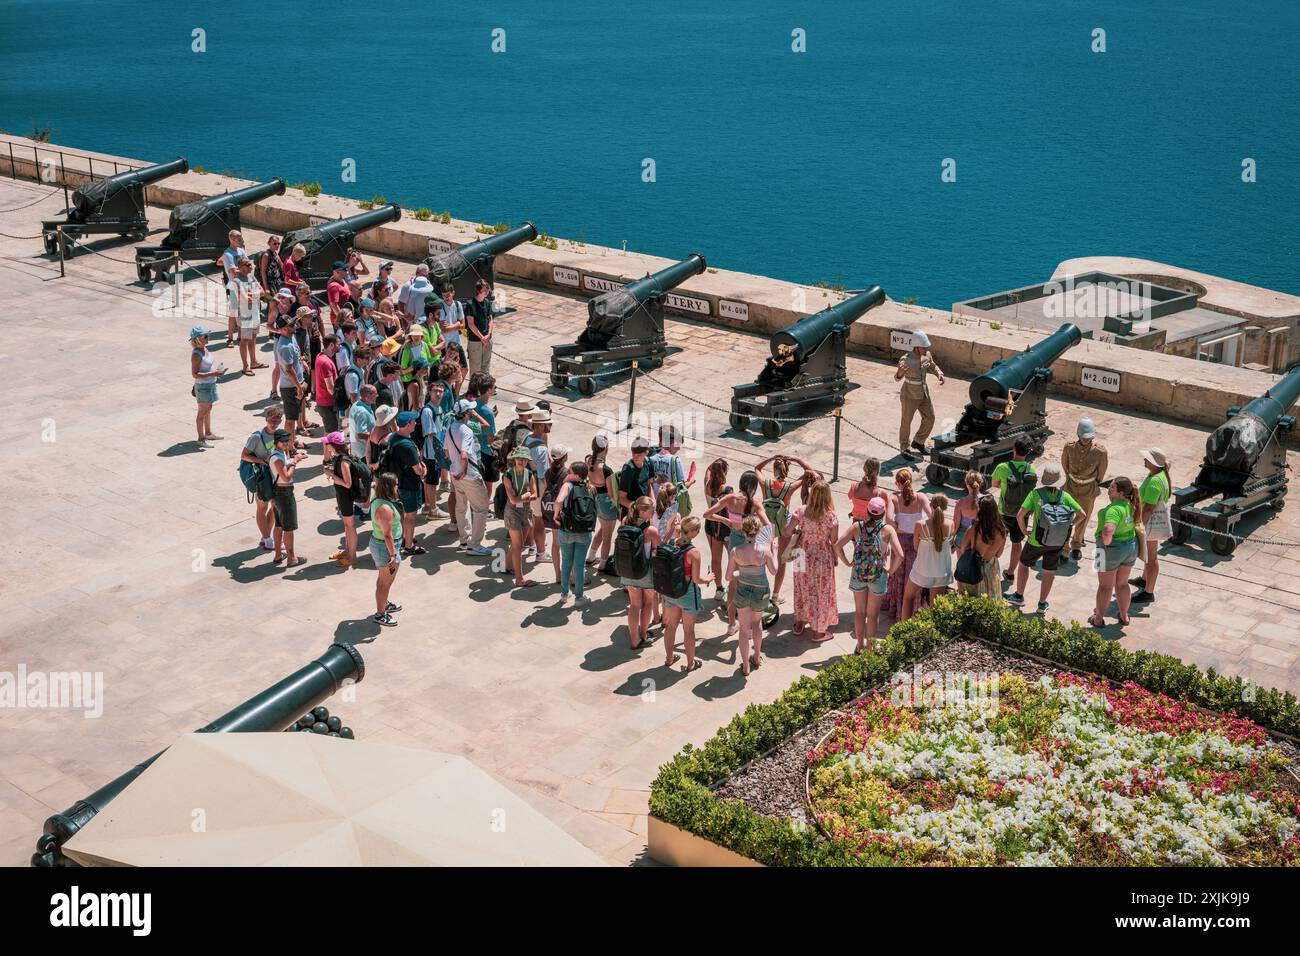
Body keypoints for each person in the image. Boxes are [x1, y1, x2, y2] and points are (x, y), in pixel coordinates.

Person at [1009, 463, 1080, 613]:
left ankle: (1019, 596)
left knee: (1023, 564)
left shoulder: (1035, 494)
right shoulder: (1065, 496)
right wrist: (1069, 526)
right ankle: (1042, 604)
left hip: (1036, 540)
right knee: (1049, 571)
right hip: (1057, 542)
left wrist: (1024, 531)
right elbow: (1083, 514)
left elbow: (1020, 515)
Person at [702, 470, 767, 636]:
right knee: (752, 582)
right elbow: (768, 525)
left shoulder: (730, 498)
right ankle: (752, 625)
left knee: (733, 585)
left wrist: (726, 520)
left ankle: (732, 623)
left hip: (735, 542)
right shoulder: (754, 503)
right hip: (750, 542)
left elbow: (707, 514)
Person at [837, 496, 902, 653]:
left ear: (867, 511)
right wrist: (890, 570)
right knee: (872, 615)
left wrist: (847, 562)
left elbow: (837, 545)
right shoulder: (887, 530)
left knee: (860, 612)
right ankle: (870, 648)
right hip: (878, 575)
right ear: (883, 513)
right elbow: (900, 555)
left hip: (858, 573)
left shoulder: (857, 527)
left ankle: (859, 646)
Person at [788, 479, 840, 641]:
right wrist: (836, 558)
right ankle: (818, 631)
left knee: (801, 588)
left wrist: (800, 531)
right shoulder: (831, 517)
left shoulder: (801, 511)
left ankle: (799, 623)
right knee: (821, 592)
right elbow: (834, 541)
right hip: (822, 556)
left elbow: (787, 531)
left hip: (801, 554)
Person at [661, 516, 712, 672]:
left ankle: (669, 658)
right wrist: (708, 578)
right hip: (688, 593)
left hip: (671, 592)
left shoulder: (671, 544)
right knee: (689, 630)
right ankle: (690, 664)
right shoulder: (693, 552)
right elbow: (696, 579)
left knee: (670, 626)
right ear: (694, 532)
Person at [730, 515, 777, 676]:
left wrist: (739, 573)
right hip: (761, 591)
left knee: (743, 630)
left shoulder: (736, 551)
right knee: (757, 624)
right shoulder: (764, 550)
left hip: (743, 589)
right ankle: (756, 656)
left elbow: (728, 577)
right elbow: (774, 571)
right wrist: (774, 551)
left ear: (743, 531)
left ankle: (745, 666)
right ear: (758, 532)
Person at [1091, 477, 1141, 628]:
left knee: (1105, 587)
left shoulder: (1114, 509)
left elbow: (1108, 529)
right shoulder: (1131, 505)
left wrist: (1106, 542)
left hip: (1108, 549)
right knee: (1122, 584)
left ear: (1121, 493)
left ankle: (1098, 619)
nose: (1108, 490)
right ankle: (1124, 616)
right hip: (1130, 547)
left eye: (1112, 488)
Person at [444, 398, 492, 556]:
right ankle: (475, 545)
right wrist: (463, 470)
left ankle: (464, 541)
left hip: (455, 474)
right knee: (481, 508)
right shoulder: (467, 431)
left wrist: (457, 468)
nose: (471, 412)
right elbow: (464, 454)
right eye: (470, 411)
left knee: (461, 506)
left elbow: (446, 451)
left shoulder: (451, 428)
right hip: (469, 475)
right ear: (465, 413)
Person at [882, 468, 930, 619]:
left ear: (897, 484)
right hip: (917, 542)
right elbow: (932, 516)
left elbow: (888, 520)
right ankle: (913, 609)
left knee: (898, 575)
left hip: (900, 541)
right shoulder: (921, 497)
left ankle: (897, 609)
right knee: (913, 575)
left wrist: (899, 527)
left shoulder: (894, 499)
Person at [1061, 417, 1109, 561]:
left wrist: (1092, 483)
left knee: (1084, 517)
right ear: (1078, 435)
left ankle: (1076, 544)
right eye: (1083, 437)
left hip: (1088, 488)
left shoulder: (1100, 452)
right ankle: (1064, 547)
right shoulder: (1069, 447)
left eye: (1088, 437)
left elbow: (1101, 472)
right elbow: (1065, 465)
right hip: (1071, 486)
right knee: (1066, 517)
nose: (1085, 440)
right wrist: (1072, 479)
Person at [895, 329, 944, 458]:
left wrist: (939, 374)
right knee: (906, 422)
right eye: (923, 346)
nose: (926, 348)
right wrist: (900, 372)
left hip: (923, 393)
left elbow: (932, 366)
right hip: (909, 394)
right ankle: (904, 448)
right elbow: (897, 377)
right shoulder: (906, 359)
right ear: (916, 347)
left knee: (930, 417)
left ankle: (918, 441)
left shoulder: (927, 355)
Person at [553, 460, 596, 606]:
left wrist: (556, 516)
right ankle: (579, 597)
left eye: (570, 472)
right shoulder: (591, 488)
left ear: (577, 476)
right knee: (579, 565)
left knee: (566, 563)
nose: (567, 473)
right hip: (585, 532)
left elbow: (558, 501)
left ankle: (564, 594)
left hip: (567, 530)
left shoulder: (568, 486)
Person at [621, 496, 662, 650]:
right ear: (643, 511)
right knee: (648, 603)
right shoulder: (650, 530)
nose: (654, 512)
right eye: (652, 509)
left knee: (634, 605)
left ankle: (634, 640)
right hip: (645, 571)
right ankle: (643, 634)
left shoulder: (626, 521)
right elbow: (658, 549)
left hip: (628, 570)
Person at [241, 406, 284, 552]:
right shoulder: (256, 436)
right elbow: (244, 455)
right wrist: (263, 461)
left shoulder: (279, 435)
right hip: (261, 477)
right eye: (272, 420)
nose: (274, 423)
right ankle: (267, 538)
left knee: (275, 506)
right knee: (262, 507)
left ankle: (265, 537)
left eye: (277, 421)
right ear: (266, 419)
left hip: (275, 476)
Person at [383, 411, 427, 555]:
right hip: (408, 484)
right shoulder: (407, 446)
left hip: (397, 482)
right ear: (408, 425)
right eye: (413, 421)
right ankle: (409, 545)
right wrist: (423, 469)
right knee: (411, 514)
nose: (415, 423)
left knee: (402, 512)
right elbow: (418, 470)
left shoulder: (394, 437)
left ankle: (404, 538)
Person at [903, 493, 953, 620]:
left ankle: (902, 629)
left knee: (908, 597)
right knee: (935, 607)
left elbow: (916, 547)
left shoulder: (920, 525)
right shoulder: (950, 524)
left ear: (931, 505)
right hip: (941, 572)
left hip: (922, 570)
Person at [1132, 448, 1172, 604]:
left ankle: (1149, 592)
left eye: (1147, 459)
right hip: (1153, 522)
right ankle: (1143, 580)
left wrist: (1139, 523)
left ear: (1154, 463)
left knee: (1152, 557)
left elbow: (1148, 507)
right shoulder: (1158, 476)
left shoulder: (1155, 481)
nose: (1144, 460)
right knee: (1149, 555)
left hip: (1150, 523)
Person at [991, 438, 1035, 578]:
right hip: (1022, 513)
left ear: (1014, 449)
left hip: (1004, 511)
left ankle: (992, 569)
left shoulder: (1002, 467)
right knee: (1017, 543)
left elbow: (994, 484)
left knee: (999, 539)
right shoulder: (1031, 469)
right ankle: (1010, 572)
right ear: (1028, 452)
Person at [369, 472, 404, 627]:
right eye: (396, 484)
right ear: (390, 487)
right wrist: (393, 554)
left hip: (385, 546)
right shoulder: (384, 508)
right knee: (385, 582)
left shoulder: (378, 500)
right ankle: (380, 614)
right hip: (386, 548)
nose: (398, 487)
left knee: (384, 580)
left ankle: (384, 603)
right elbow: (387, 535)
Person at [957, 496, 1008, 602]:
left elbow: (962, 548)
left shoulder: (974, 529)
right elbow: (998, 554)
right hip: (991, 566)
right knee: (991, 598)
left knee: (972, 599)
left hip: (974, 567)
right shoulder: (1002, 531)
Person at [502, 448, 540, 588]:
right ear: (514, 459)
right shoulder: (507, 475)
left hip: (525, 510)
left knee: (519, 544)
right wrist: (525, 496)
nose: (521, 461)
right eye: (519, 458)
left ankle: (507, 565)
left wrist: (523, 498)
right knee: (518, 545)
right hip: (512, 511)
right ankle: (520, 579)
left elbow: (535, 494)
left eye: (524, 459)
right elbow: (512, 500)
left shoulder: (529, 473)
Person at [323, 432, 362, 568]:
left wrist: (332, 474)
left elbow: (347, 483)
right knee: (347, 525)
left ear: (333, 445)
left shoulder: (344, 461)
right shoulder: (339, 457)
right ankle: (347, 551)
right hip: (343, 496)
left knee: (350, 526)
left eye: (327, 443)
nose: (325, 445)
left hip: (346, 496)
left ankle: (352, 557)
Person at [269, 429, 307, 566]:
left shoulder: (278, 453)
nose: (286, 443)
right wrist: (295, 462)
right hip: (284, 493)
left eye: (287, 440)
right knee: (288, 528)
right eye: (283, 441)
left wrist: (290, 460)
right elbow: (286, 477)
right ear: (276, 442)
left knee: (279, 525)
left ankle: (278, 555)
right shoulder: (278, 458)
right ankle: (292, 558)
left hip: (277, 493)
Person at [585, 435, 619, 568]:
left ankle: (591, 556)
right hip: (607, 503)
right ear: (606, 449)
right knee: (608, 536)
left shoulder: (588, 461)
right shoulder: (606, 469)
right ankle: (603, 565)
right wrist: (619, 508)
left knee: (602, 529)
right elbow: (611, 493)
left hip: (596, 500)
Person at [524, 410, 554, 560]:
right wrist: (550, 491)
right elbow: (543, 476)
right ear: (541, 425)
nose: (550, 426)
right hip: (537, 487)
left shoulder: (527, 439)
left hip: (526, 484)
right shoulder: (541, 449)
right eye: (548, 423)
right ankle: (540, 553)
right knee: (539, 521)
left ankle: (531, 546)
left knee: (532, 517)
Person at [702, 459, 733, 603]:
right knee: (734, 557)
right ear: (725, 472)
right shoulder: (727, 490)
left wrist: (712, 465)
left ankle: (719, 588)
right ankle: (733, 585)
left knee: (716, 559)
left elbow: (706, 473)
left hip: (711, 524)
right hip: (725, 526)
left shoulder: (707, 484)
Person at [273, 317, 307, 447]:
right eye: (292, 324)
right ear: (284, 329)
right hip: (290, 387)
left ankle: (293, 441)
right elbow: (289, 370)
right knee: (290, 420)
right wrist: (299, 387)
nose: (295, 325)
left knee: (295, 416)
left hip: (296, 384)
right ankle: (289, 447)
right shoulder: (284, 346)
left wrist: (302, 361)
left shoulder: (291, 337)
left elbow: (296, 355)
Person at [419, 379, 450, 520]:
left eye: (440, 391)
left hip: (435, 451)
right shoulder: (427, 411)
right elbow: (431, 434)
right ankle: (433, 509)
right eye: (435, 391)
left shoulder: (439, 408)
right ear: (430, 392)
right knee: (431, 482)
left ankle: (427, 504)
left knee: (429, 480)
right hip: (432, 452)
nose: (438, 393)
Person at [540, 446, 571, 583]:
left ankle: (558, 576)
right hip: (563, 511)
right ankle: (568, 575)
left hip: (551, 511)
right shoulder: (567, 473)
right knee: (567, 546)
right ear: (564, 458)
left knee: (555, 544)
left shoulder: (547, 472)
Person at [189, 327, 224, 448]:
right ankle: (201, 438)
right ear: (198, 339)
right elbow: (195, 374)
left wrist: (216, 372)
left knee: (208, 408)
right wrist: (213, 374)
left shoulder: (204, 349)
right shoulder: (196, 355)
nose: (208, 338)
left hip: (210, 384)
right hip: (203, 386)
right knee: (202, 413)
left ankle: (208, 433)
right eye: (205, 336)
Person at [229, 257, 263, 375]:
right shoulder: (236, 281)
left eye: (251, 264)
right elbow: (245, 299)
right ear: (241, 267)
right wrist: (256, 295)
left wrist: (253, 294)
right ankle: (245, 366)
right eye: (248, 265)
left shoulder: (251, 277)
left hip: (254, 312)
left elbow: (263, 292)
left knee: (253, 338)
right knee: (244, 340)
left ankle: (254, 361)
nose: (251, 267)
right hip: (245, 315)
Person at [313, 335, 341, 454]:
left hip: (323, 402)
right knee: (332, 433)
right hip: (328, 403)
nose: (340, 346)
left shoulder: (320, 357)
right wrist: (341, 398)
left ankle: (327, 458)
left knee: (328, 431)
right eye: (338, 344)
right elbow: (330, 388)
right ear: (331, 345)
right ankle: (331, 458)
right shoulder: (326, 362)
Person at [848, 457, 894, 525]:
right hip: (873, 527)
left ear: (864, 468)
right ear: (878, 472)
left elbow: (850, 497)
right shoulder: (881, 494)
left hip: (856, 525)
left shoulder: (853, 487)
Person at [220, 230, 247, 345]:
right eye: (238, 239)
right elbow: (232, 271)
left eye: (241, 238)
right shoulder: (228, 253)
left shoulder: (241, 251)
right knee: (233, 313)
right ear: (231, 239)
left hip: (243, 285)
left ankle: (240, 336)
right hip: (234, 287)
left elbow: (248, 264)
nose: (240, 241)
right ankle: (230, 338)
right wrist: (245, 269)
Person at [950, 470, 987, 551]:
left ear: (966, 484)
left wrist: (952, 539)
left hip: (962, 537)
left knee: (961, 562)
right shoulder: (987, 501)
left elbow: (955, 525)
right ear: (980, 483)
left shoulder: (960, 503)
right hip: (979, 536)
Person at [618, 440, 654, 516]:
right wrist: (637, 509)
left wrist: (653, 501)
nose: (635, 457)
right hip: (631, 513)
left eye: (639, 454)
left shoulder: (649, 463)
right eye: (633, 453)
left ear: (646, 453)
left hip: (645, 511)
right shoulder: (628, 469)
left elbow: (649, 485)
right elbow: (621, 498)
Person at [465, 279, 494, 374]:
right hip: (475, 340)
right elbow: (470, 324)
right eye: (484, 290)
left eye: (487, 290)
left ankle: (485, 388)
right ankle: (475, 389)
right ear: (478, 291)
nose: (487, 292)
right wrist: (482, 337)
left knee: (486, 367)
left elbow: (490, 320)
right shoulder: (470, 304)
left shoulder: (487, 303)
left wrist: (488, 335)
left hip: (487, 339)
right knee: (475, 368)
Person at [437, 283, 467, 364]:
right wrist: (457, 324)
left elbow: (463, 325)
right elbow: (444, 329)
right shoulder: (441, 306)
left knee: (464, 368)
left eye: (448, 295)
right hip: (445, 344)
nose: (446, 297)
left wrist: (451, 327)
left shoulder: (458, 304)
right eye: (443, 295)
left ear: (453, 293)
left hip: (457, 342)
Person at [349, 384, 378, 465]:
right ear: (367, 396)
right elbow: (360, 434)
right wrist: (377, 437)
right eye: (375, 394)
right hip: (363, 453)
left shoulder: (356, 404)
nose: (377, 396)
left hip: (356, 450)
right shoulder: (362, 412)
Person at [258, 235, 285, 309]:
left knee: (275, 302)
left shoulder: (275, 254)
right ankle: (270, 317)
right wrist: (266, 288)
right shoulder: (266, 255)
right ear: (269, 244)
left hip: (277, 282)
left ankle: (271, 315)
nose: (277, 245)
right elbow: (262, 272)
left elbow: (282, 266)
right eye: (274, 243)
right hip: (270, 284)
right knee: (273, 301)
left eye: (278, 243)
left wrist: (278, 260)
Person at [326, 261, 352, 332]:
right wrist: (343, 321)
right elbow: (334, 305)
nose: (347, 272)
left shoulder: (342, 280)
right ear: (337, 271)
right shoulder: (334, 286)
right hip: (341, 321)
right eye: (345, 270)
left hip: (347, 317)